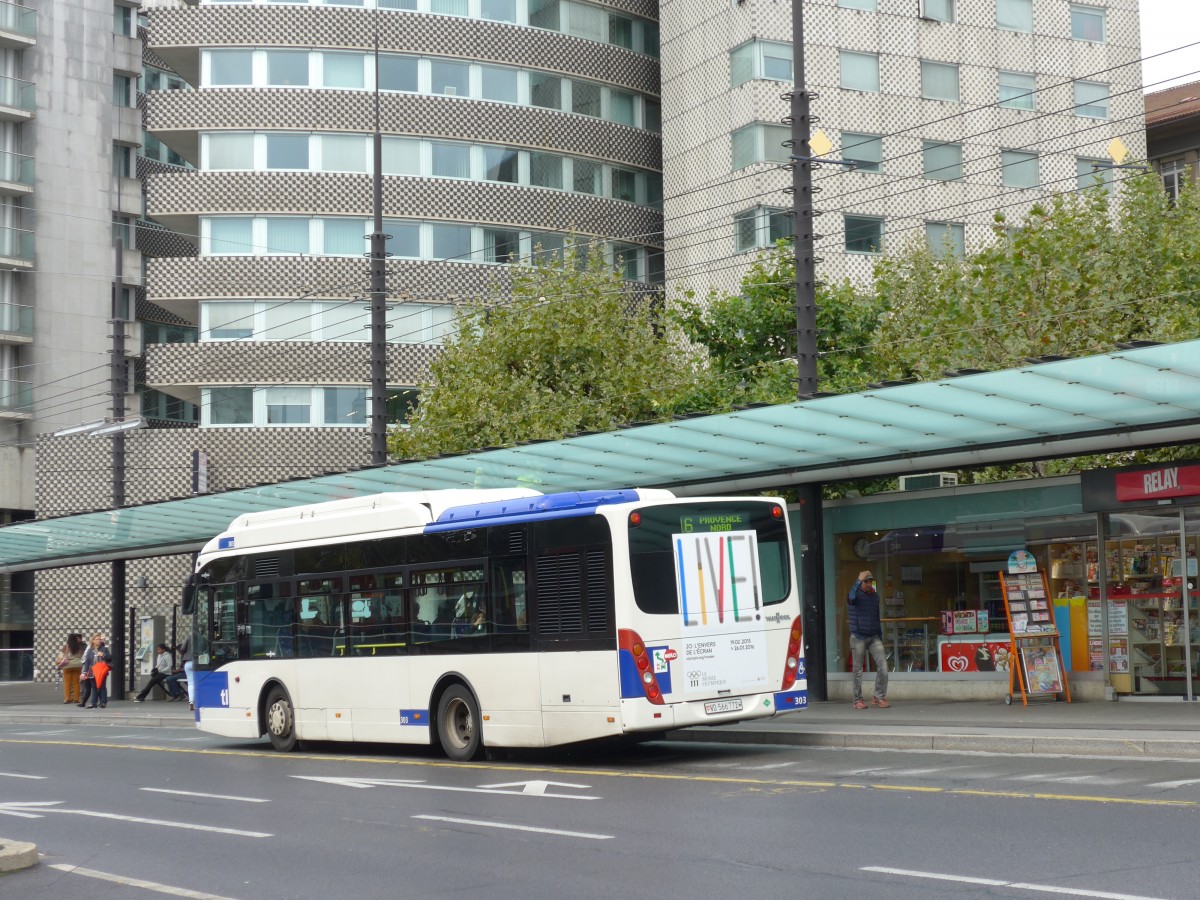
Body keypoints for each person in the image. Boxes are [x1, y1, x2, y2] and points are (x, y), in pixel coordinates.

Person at [848, 569, 889, 710]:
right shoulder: (855, 594)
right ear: (861, 582)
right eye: (866, 581)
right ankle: (857, 700)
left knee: (883, 666)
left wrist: (880, 635)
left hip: (873, 636)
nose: (869, 583)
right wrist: (857, 581)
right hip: (858, 636)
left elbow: (876, 617)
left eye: (870, 581)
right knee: (858, 670)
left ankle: (879, 696)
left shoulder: (874, 596)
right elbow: (851, 598)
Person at [86, 634, 112, 709]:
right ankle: (93, 703)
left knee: (102, 686)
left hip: (101, 670)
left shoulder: (104, 649)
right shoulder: (90, 650)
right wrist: (84, 672)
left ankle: (103, 702)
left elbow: (109, 658)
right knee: (94, 687)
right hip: (92, 671)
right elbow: (87, 661)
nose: (99, 641)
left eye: (99, 639)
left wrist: (103, 655)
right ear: (93, 641)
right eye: (97, 639)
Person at [58, 633, 85, 704]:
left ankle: (67, 699)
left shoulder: (66, 647)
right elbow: (82, 656)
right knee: (76, 683)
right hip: (78, 666)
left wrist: (59, 662)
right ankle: (76, 699)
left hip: (68, 666)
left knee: (67, 683)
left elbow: (60, 656)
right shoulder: (79, 647)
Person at [164, 635, 191, 704]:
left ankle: (177, 694)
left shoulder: (186, 656)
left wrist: (178, 670)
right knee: (169, 678)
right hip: (182, 672)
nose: (179, 652)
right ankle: (174, 694)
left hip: (185, 673)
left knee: (170, 679)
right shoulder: (183, 656)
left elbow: (185, 668)